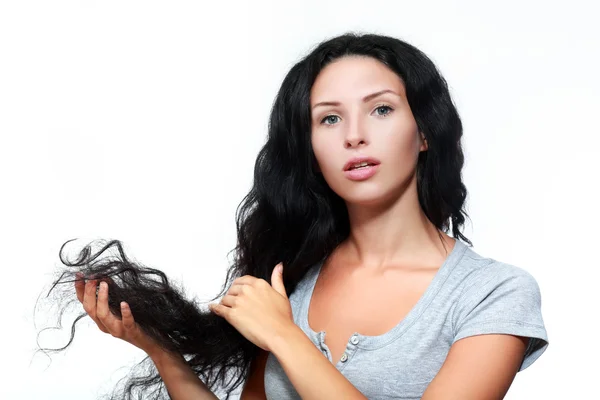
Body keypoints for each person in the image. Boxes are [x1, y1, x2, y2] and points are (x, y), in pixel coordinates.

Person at [38, 31, 549, 400]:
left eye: (381, 109)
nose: (354, 134)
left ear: (424, 132)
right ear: (309, 147)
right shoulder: (293, 273)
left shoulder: (493, 293)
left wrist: (284, 336)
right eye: (329, 118)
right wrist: (158, 349)